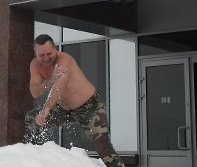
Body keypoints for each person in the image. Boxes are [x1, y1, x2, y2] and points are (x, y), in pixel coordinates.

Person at [23, 34, 125, 167]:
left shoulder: (65, 60)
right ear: (35, 53)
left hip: (90, 107)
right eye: (41, 55)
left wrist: (47, 108)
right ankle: (30, 156)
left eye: (49, 54)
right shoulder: (35, 65)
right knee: (32, 118)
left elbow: (60, 87)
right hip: (64, 110)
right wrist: (51, 80)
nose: (46, 58)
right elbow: (35, 92)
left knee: (103, 146)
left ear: (55, 49)